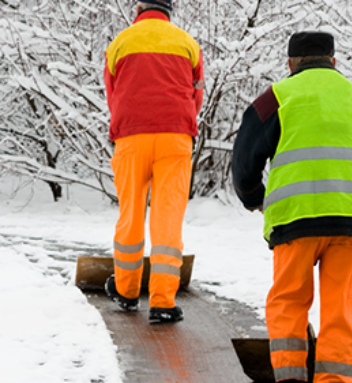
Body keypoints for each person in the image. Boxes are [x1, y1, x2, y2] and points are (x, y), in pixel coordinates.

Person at [232, 31, 352, 383]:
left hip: (296, 219)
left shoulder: (278, 96)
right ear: (334, 61)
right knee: (340, 314)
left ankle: (290, 379)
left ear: (289, 64)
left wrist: (253, 196)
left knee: (289, 303)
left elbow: (244, 158)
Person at [103, 0, 204, 323]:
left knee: (130, 213)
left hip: (131, 137)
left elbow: (112, 92)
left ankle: (127, 290)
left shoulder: (120, 42)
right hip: (175, 137)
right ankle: (162, 300)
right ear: (169, 9)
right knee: (168, 217)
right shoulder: (187, 43)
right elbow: (196, 95)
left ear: (139, 8)